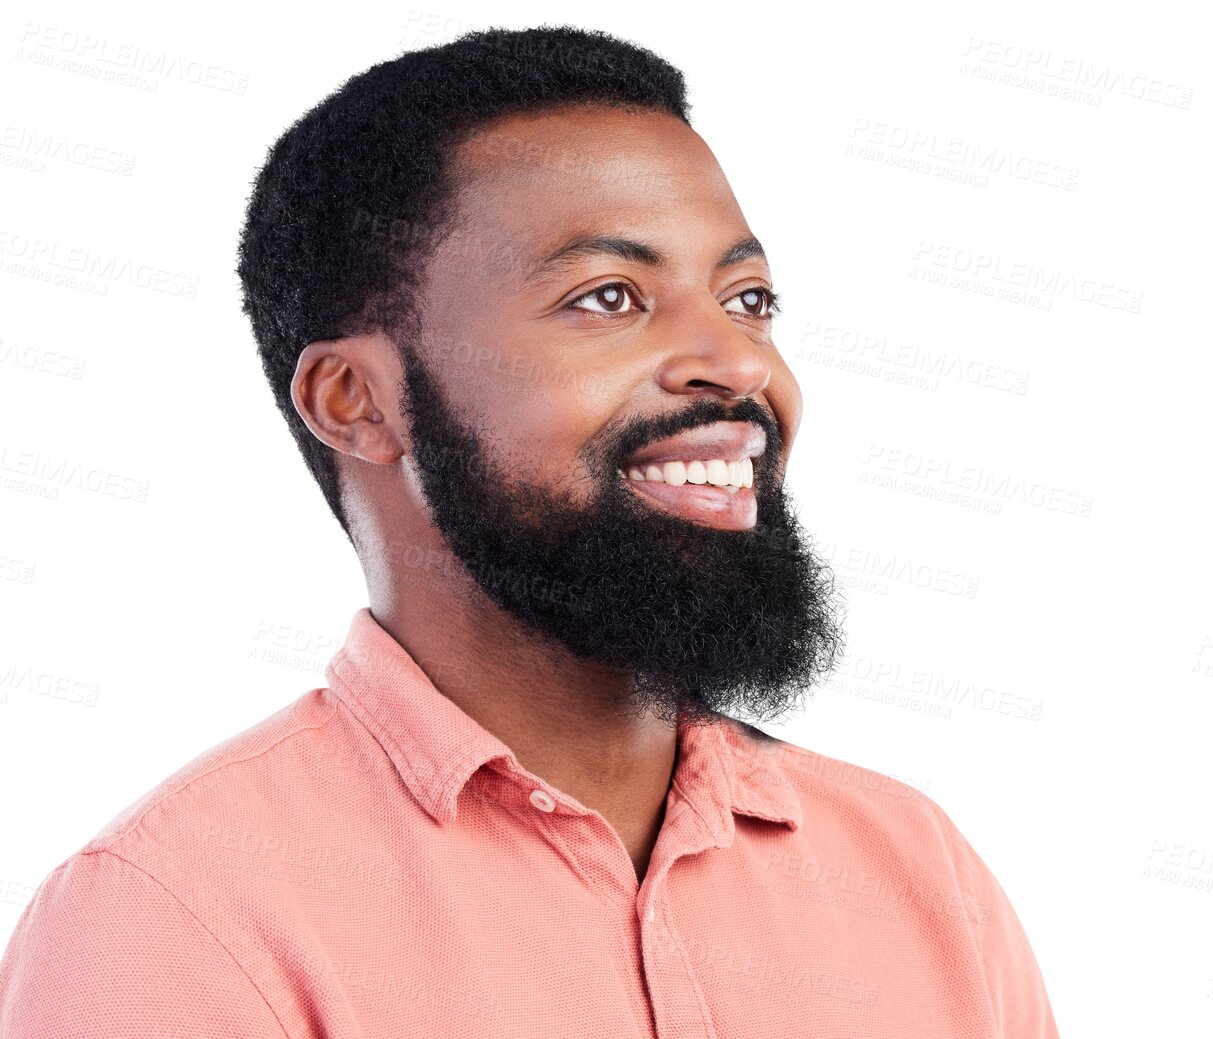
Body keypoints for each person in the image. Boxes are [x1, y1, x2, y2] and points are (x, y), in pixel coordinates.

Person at [0, 25, 1058, 1037]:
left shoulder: (921, 875)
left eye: (749, 298)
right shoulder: (173, 920)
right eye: (609, 295)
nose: (739, 365)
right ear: (356, 401)